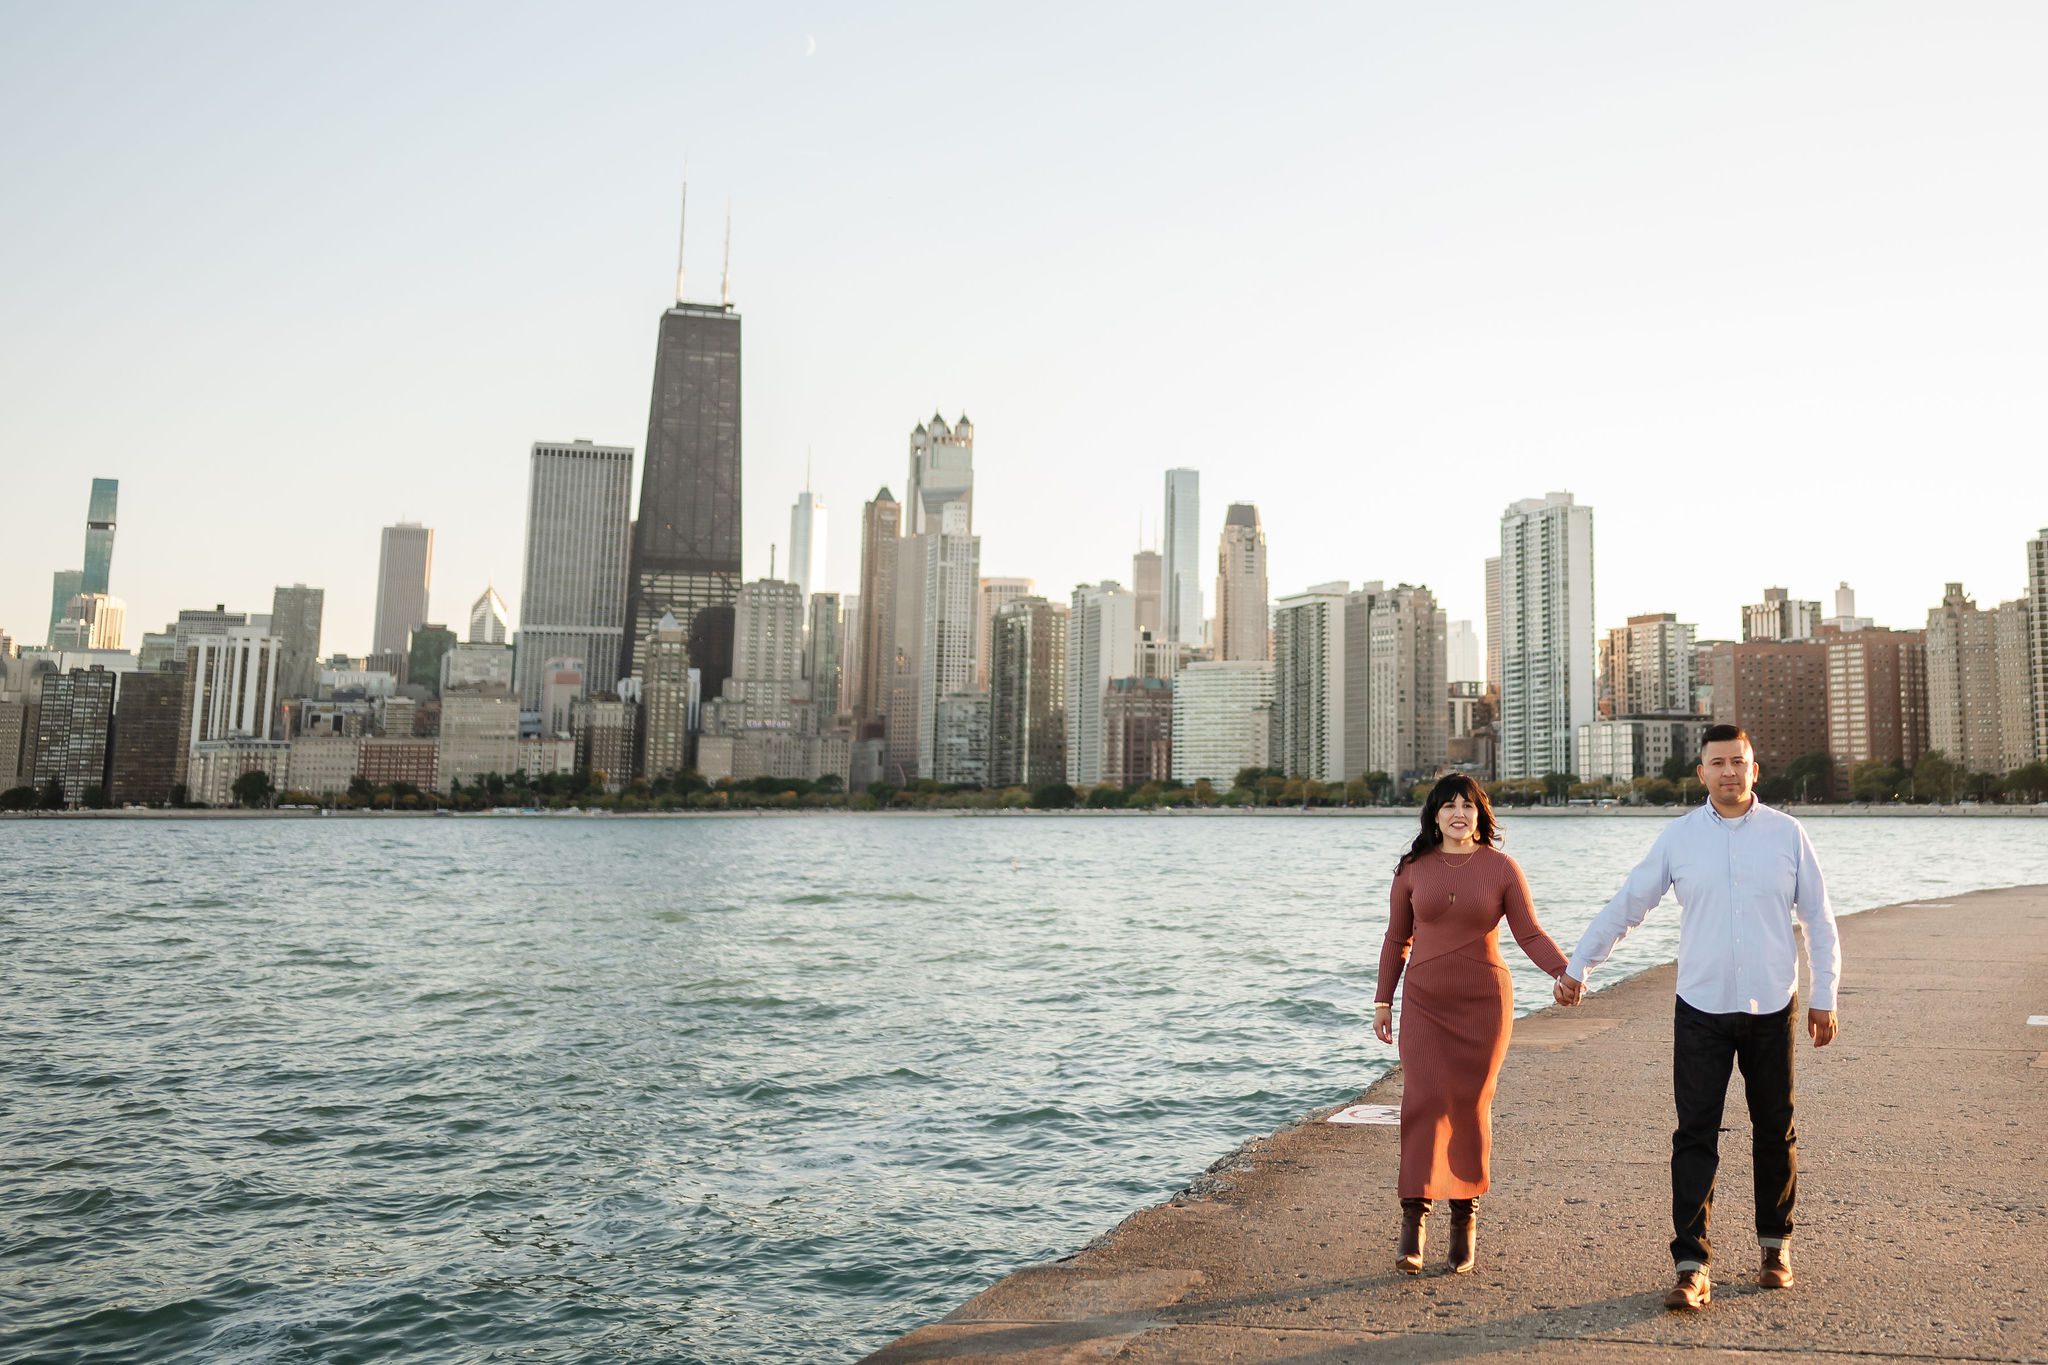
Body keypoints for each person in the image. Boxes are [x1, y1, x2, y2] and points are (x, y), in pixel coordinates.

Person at [1554, 723, 1840, 1311]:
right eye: (1719, 763)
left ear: (1754, 769)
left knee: (1775, 1129)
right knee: (1694, 1136)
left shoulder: (1788, 835)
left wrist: (1825, 994)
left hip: (1771, 1005)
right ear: (1702, 773)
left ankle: (1774, 1248)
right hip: (1701, 1009)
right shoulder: (1679, 839)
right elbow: (1629, 904)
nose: (1730, 771)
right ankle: (1692, 1265)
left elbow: (1819, 918)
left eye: (1739, 761)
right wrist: (1581, 963)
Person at [1372, 773, 1571, 1275]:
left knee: (1470, 1106)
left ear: (1481, 814)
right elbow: (1396, 940)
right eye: (1449, 806)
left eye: (1468, 805)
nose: (1459, 813)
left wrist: (1565, 972)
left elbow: (1528, 931)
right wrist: (1382, 1002)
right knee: (1422, 1102)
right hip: (1424, 1003)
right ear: (1434, 815)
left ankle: (1464, 1220)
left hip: (1484, 1002)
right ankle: (1413, 1223)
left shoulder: (1501, 867)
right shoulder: (1413, 869)